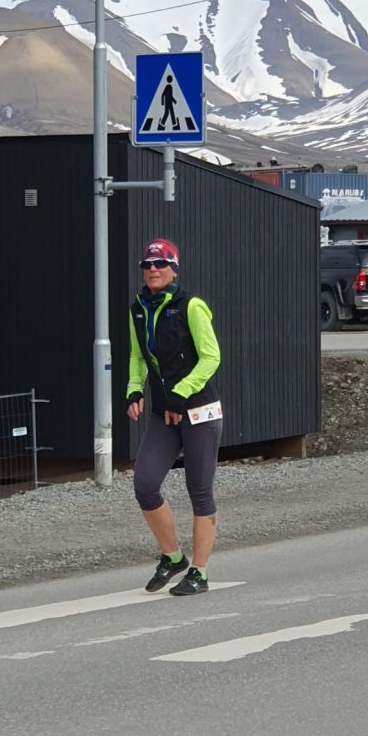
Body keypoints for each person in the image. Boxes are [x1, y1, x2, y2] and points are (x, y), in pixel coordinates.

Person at [126, 238, 223, 596]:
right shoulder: (138, 308)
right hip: (164, 412)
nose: (153, 270)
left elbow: (211, 357)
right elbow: (138, 357)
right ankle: (173, 557)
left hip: (199, 409)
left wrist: (181, 393)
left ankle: (199, 572)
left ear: (174, 270)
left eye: (160, 264)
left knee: (199, 490)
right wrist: (134, 389)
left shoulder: (191, 306)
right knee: (145, 484)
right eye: (147, 265)